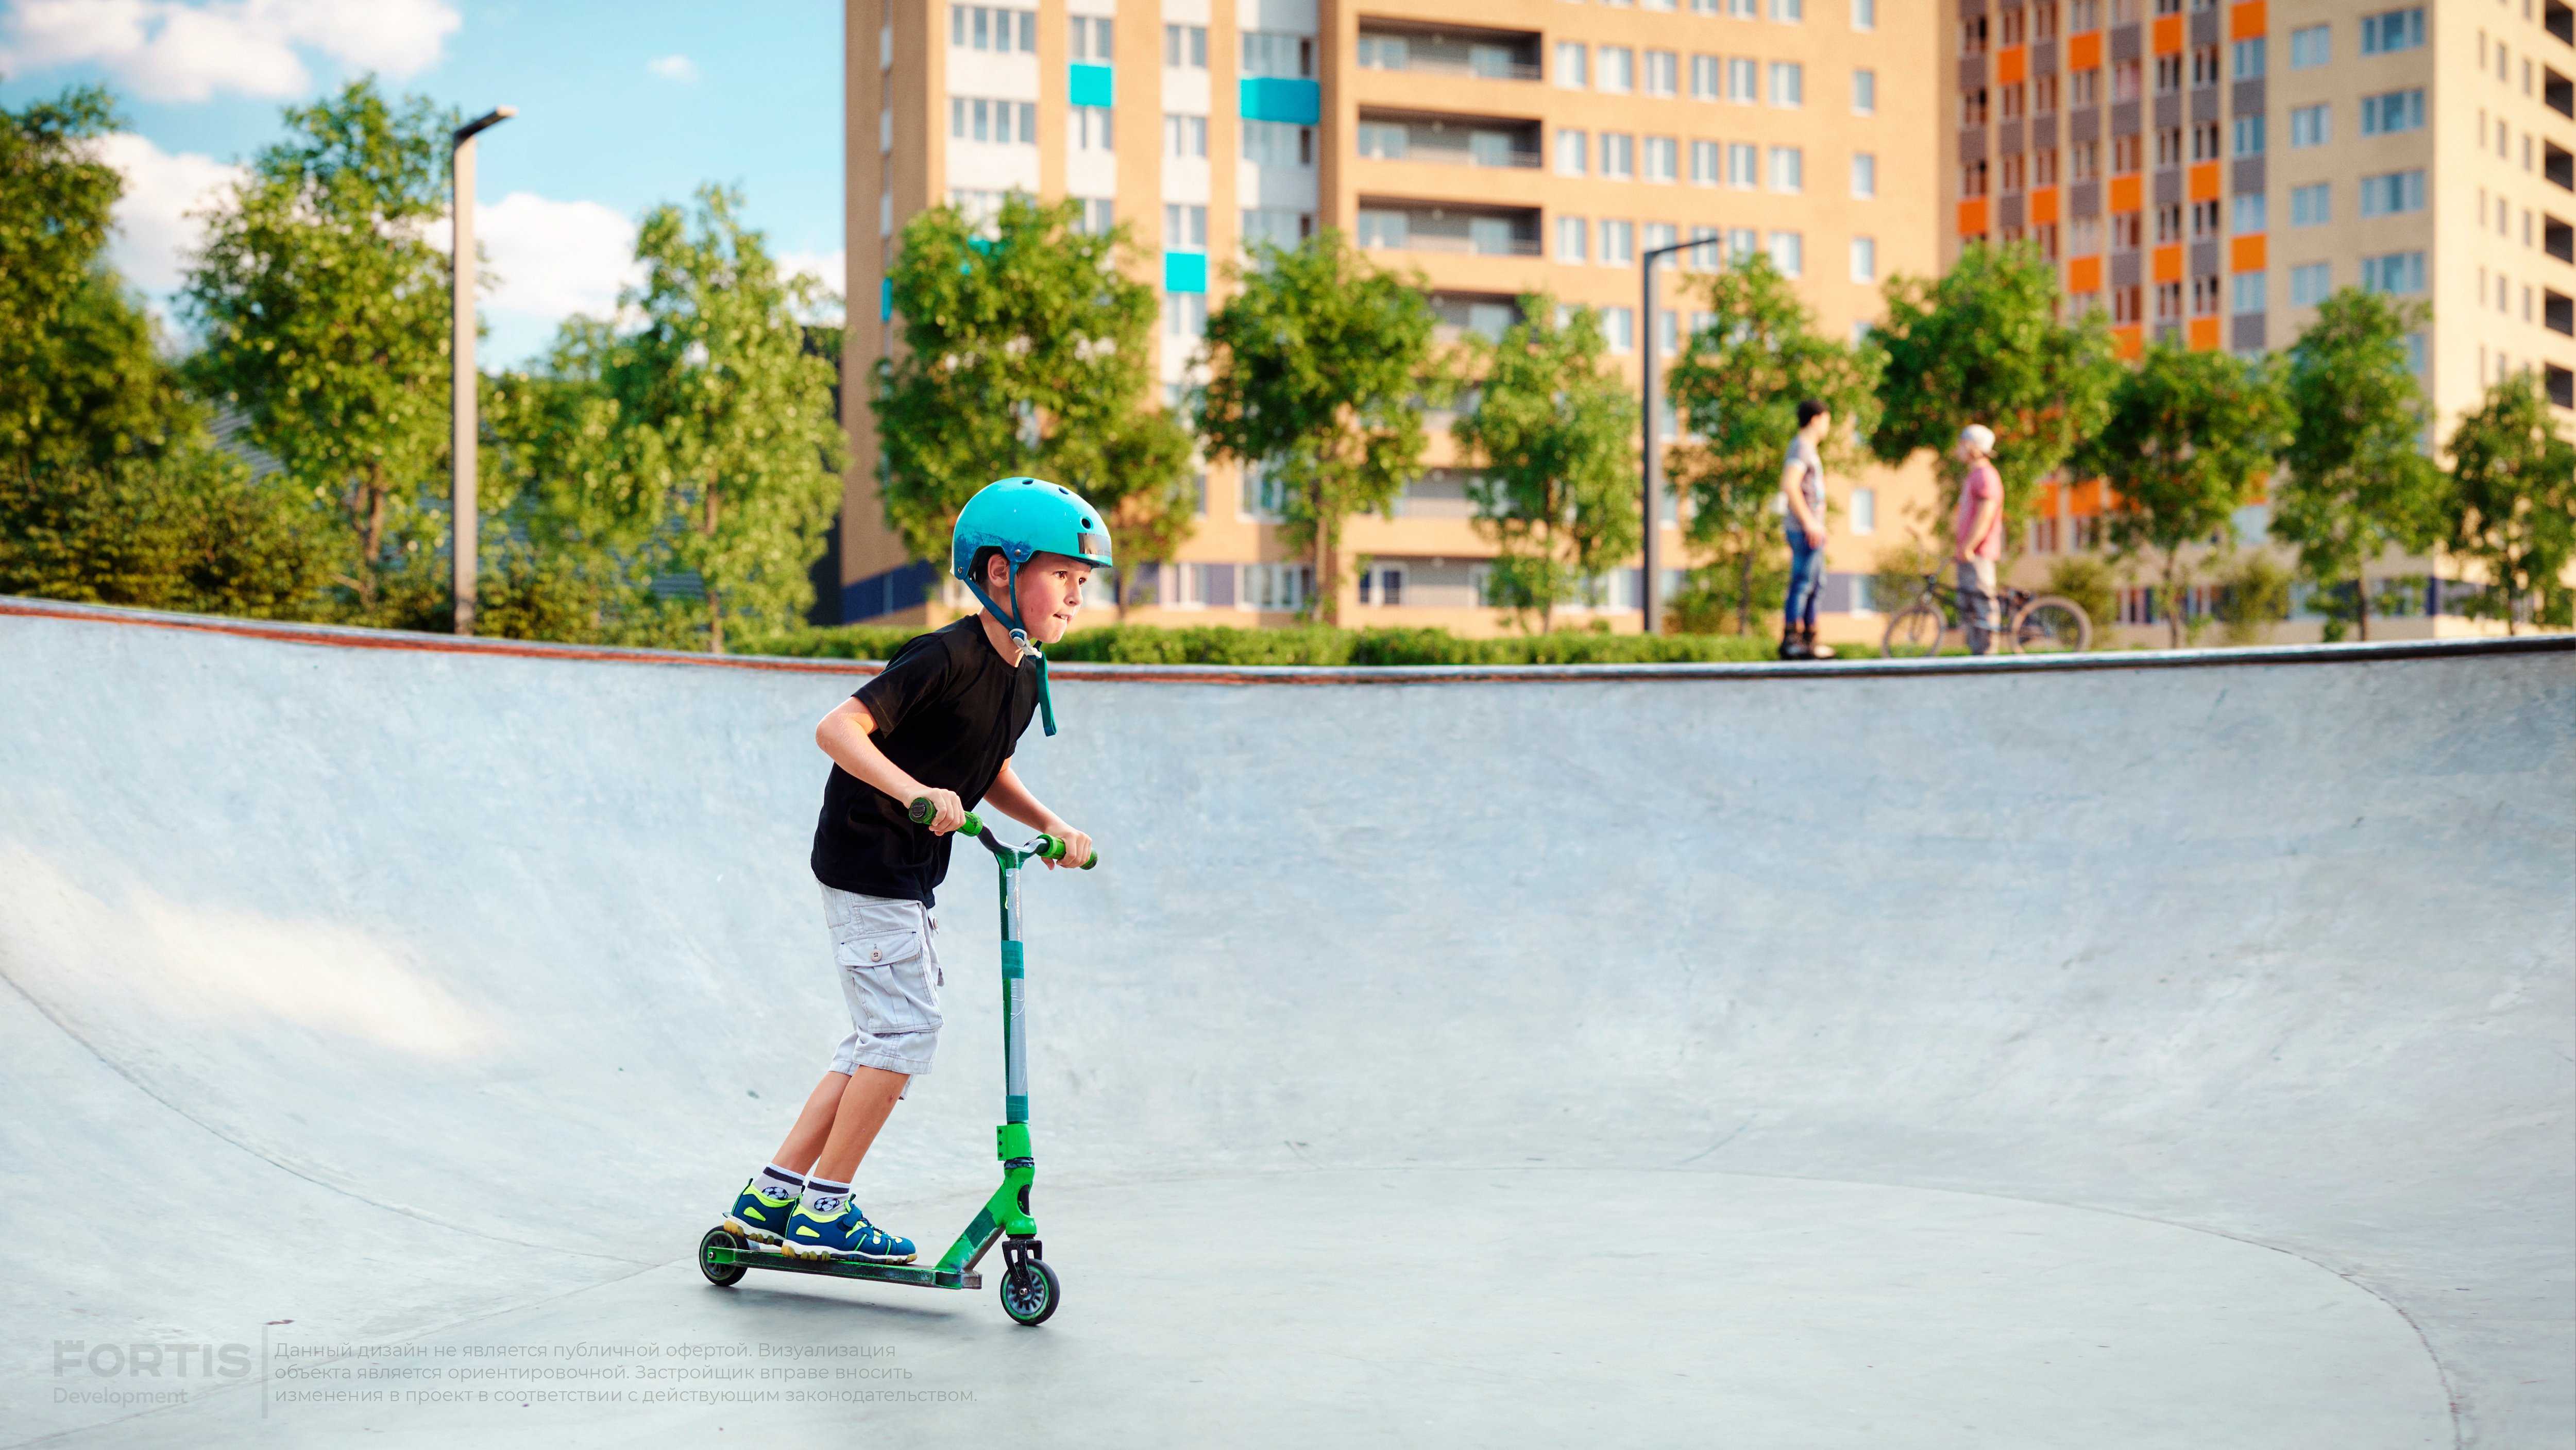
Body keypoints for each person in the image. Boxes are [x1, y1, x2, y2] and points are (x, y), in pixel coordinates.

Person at [719, 477, 1108, 1263]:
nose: (1075, 595)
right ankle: (826, 1208)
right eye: (1061, 575)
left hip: (906, 866)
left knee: (877, 1035)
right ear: (1001, 572)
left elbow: (986, 763)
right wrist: (914, 792)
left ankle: (775, 1191)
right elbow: (840, 728)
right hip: (870, 855)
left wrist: (1052, 824)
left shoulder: (1023, 673)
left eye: (1084, 581)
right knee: (905, 1031)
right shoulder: (944, 654)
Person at [1778, 398, 1838, 661]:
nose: (1828, 427)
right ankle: (1792, 639)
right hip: (1805, 529)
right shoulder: (1801, 447)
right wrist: (1809, 522)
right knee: (1803, 582)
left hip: (1812, 528)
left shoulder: (1808, 449)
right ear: (1815, 419)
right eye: (1827, 420)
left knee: (1816, 584)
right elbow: (1790, 485)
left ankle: (1809, 640)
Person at [1953, 424, 2005, 655]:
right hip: (1969, 553)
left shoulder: (1986, 476)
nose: (1960, 449)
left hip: (1979, 553)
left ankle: (1988, 654)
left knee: (1983, 601)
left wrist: (1969, 546)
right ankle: (1976, 653)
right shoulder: (1974, 476)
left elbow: (1986, 514)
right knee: (1969, 604)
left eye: (1964, 444)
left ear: (1975, 448)